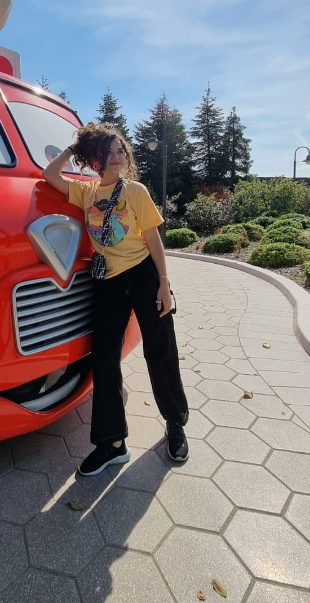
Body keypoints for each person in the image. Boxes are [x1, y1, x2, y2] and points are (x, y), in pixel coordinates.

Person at [43, 122, 189, 475]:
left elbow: (153, 239)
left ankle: (175, 423)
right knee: (105, 358)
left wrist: (164, 285)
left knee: (160, 349)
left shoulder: (135, 191)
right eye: (108, 152)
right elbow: (50, 175)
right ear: (95, 159)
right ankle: (112, 444)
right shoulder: (87, 193)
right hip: (106, 281)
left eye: (120, 150)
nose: (117, 156)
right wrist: (74, 148)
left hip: (143, 275)